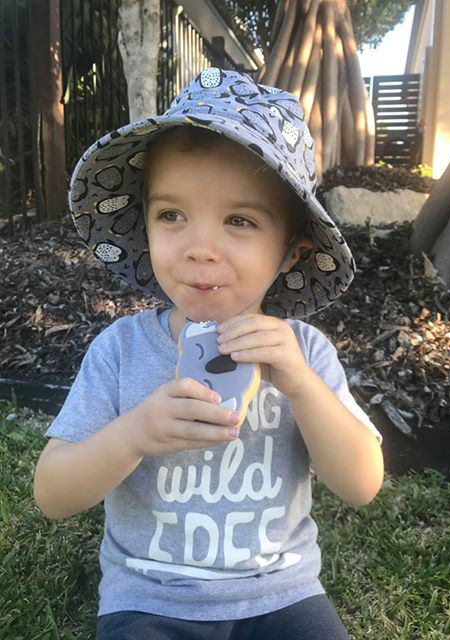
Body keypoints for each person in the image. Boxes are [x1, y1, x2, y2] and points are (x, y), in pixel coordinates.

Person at [34, 67, 384, 639]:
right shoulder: (121, 351)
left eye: (239, 221)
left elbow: (362, 483)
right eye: (172, 215)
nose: (199, 249)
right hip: (151, 597)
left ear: (291, 253)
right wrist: (135, 434)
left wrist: (300, 384)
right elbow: (52, 493)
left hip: (282, 593)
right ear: (144, 225)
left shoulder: (305, 355)